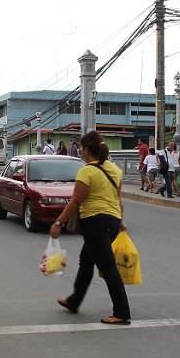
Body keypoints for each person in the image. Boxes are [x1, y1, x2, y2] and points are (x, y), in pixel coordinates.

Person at [50, 131, 130, 325]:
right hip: (111, 221)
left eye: (81, 148)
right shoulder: (114, 170)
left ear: (86, 149)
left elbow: (76, 201)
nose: (80, 151)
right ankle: (74, 301)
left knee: (108, 267)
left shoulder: (87, 171)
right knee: (86, 261)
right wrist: (121, 221)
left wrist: (59, 222)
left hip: (95, 222)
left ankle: (121, 312)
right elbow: (117, 198)